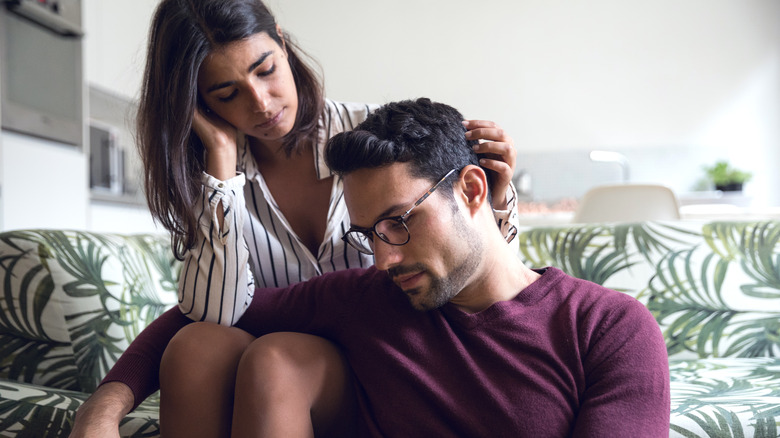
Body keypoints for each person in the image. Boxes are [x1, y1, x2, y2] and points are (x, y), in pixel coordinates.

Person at [75, 98, 671, 437]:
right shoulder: (367, 299)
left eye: (399, 222)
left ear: (469, 190)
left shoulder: (611, 329)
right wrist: (102, 409)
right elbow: (199, 317)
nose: (383, 256)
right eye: (367, 234)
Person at [70, 0, 519, 436]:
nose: (262, 104)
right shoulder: (209, 179)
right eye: (227, 93)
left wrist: (496, 202)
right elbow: (209, 314)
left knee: (275, 357)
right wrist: (222, 167)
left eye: (265, 70)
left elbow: (483, 278)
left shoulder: (379, 142)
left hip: (392, 358)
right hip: (282, 379)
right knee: (199, 347)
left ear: (282, 43)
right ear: (198, 104)